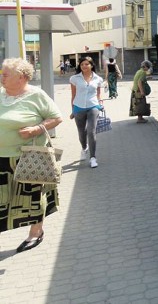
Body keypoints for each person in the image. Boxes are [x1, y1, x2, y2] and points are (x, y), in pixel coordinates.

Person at [0, 58, 63, 252]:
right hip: (1, 156)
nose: (1, 77)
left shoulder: (36, 95)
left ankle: (36, 232)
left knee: (32, 196)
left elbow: (56, 117)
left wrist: (36, 129)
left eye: (5, 74)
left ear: (21, 77)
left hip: (28, 158)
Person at [70, 56, 104, 168]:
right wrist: (72, 110)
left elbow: (99, 94)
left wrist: (100, 105)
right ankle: (84, 148)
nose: (84, 66)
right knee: (81, 132)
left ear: (91, 65)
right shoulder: (74, 79)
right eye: (82, 64)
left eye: (86, 64)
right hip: (78, 107)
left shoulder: (98, 79)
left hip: (93, 106)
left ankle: (93, 158)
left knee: (91, 131)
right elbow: (73, 95)